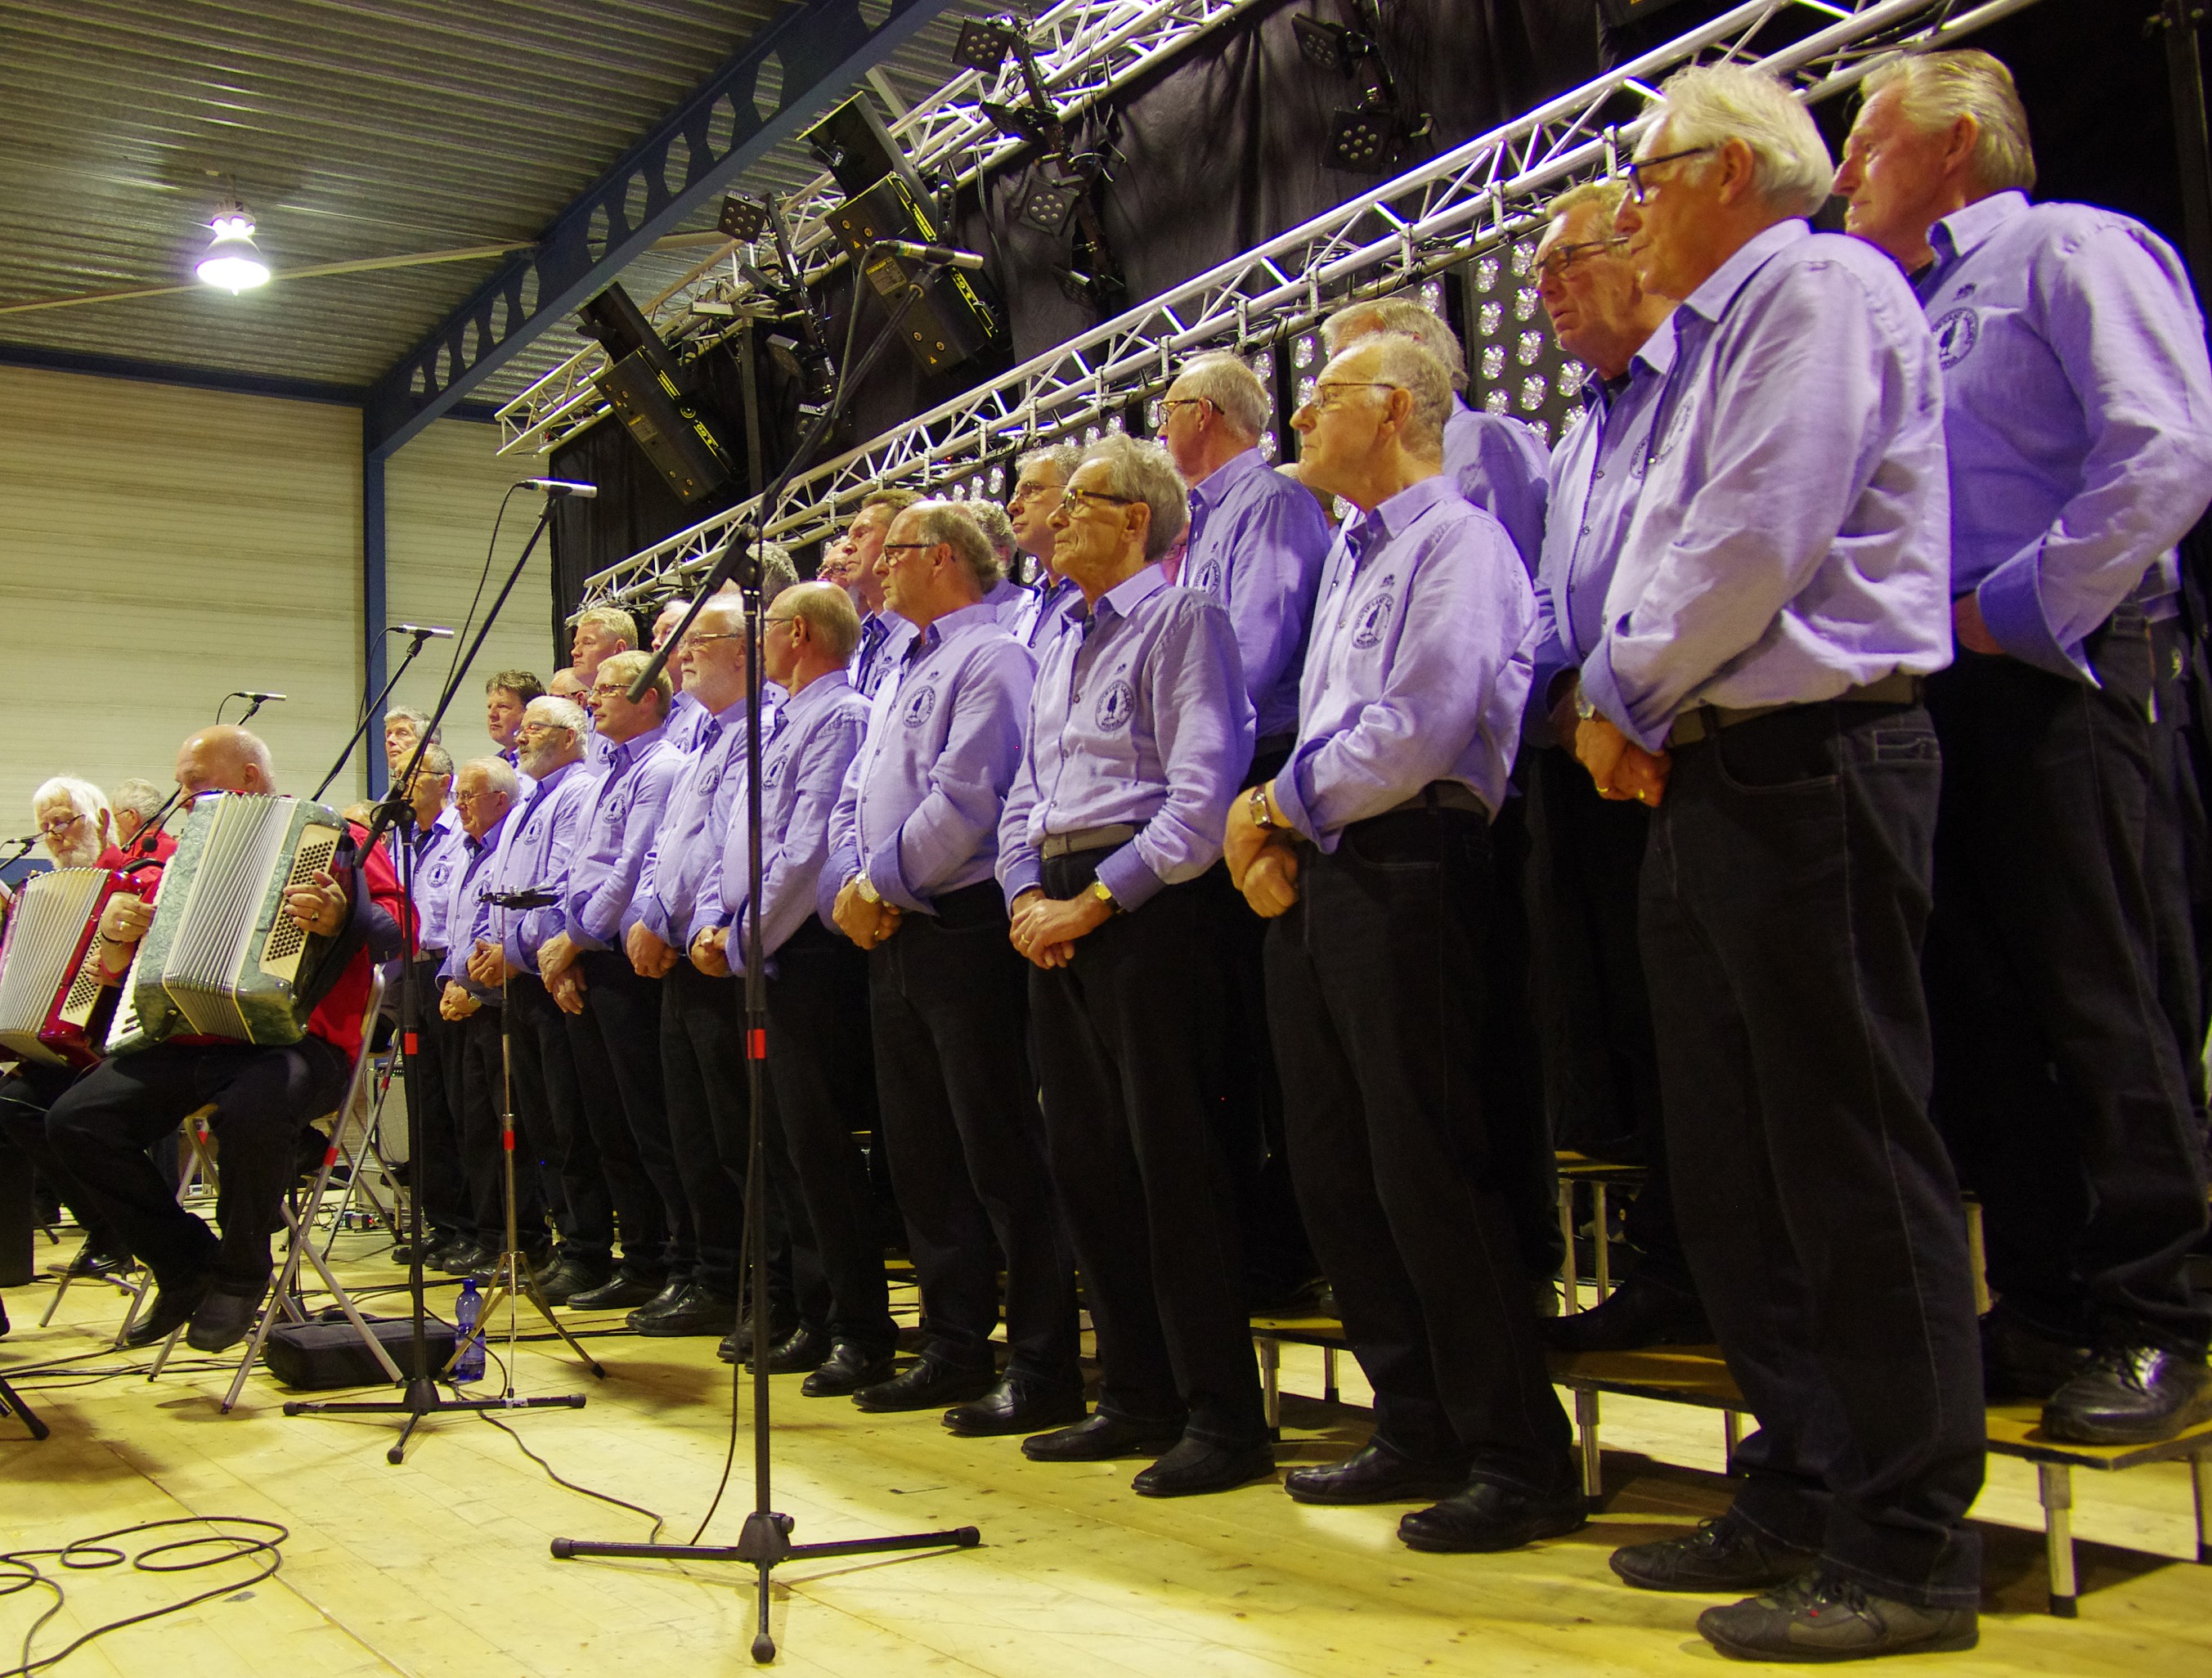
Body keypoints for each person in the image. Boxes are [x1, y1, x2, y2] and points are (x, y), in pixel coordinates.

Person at [1576, 65, 1980, 1661]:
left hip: (1810, 765)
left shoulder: (1810, 287)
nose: (1625, 206)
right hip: (1715, 772)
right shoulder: (1720, 328)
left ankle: (1904, 1547)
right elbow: (1671, 547)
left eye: (1643, 171)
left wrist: (1613, 691)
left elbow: (1753, 535)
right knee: (1738, 1170)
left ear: (1728, 173)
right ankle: (1800, 1485)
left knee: (1843, 1157)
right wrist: (1632, 699)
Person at [1837, 47, 2212, 1442]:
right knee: (1988, 1018)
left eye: (1868, 140)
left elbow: (2167, 448)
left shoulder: (2068, 248)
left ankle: (2164, 1315)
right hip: (1937, 691)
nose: (1848, 169)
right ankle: (2050, 1303)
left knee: (2105, 997)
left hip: (2066, 668)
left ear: (1951, 145)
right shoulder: (1893, 311)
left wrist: (2016, 610)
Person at [1221, 333, 1580, 1550]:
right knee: (1334, 1164)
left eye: (1317, 404)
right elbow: (1341, 730)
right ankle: (1414, 1416)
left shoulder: (1458, 543)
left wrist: (1271, 808)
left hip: (1416, 867)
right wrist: (1284, 831)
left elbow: (1418, 727)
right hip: (1333, 874)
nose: (1297, 428)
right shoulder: (1353, 558)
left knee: (1429, 1159)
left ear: (1387, 410)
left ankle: (1519, 1454)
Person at [1000, 433, 1271, 1493]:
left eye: (1082, 502)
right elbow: (1027, 796)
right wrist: (1026, 896)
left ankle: (1223, 1418)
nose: (1059, 518)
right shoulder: (1061, 639)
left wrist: (1093, 902)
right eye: (1058, 504)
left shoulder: (1184, 616)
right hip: (1055, 915)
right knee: (1088, 1166)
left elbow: (1201, 795)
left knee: (1178, 1170)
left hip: (1148, 920)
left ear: (1137, 522)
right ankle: (1135, 1394)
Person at [824, 499, 1081, 1416]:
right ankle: (953, 1346)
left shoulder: (993, 655)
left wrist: (876, 886)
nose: (877, 569)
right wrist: (850, 891)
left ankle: (1043, 1365)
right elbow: (859, 794)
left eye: (892, 553)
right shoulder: (905, 664)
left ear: (938, 558)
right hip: (895, 928)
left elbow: (969, 796)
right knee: (921, 1154)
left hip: (960, 921)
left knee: (997, 1149)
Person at [45, 725, 404, 1353]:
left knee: (254, 1106)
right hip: (193, 1036)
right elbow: (123, 968)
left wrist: (346, 916)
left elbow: (400, 930)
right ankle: (185, 1266)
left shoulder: (337, 840)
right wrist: (115, 937)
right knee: (75, 1119)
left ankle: (242, 1274)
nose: (181, 799)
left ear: (246, 777)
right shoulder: (174, 860)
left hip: (299, 1043)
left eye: (195, 783)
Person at [1523, 180, 1707, 1353]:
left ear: (1638, 252)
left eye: (1561, 266)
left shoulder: (1705, 380)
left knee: (1723, 1039)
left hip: (1691, 736)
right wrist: (1575, 708)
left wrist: (1624, 703)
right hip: (1597, 756)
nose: (1540, 293)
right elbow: (1547, 603)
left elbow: (1709, 558)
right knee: (1646, 1031)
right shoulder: (1578, 427)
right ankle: (1671, 1262)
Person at [1158, 350, 1335, 1311]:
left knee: (1272, 1035)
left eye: (1169, 404)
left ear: (1208, 413)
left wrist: (1188, 755)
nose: (1159, 421)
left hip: (1254, 767)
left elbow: (1259, 650)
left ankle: (1286, 1245)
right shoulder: (1201, 522)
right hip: (1217, 773)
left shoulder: (1264, 502)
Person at [693, 581, 900, 1391]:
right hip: (758, 955)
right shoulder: (780, 723)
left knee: (820, 1153)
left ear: (802, 635)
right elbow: (735, 840)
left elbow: (808, 846)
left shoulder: (840, 716)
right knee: (781, 1151)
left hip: (804, 957)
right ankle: (815, 1314)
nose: (759, 642)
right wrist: (715, 920)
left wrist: (739, 937)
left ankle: (858, 1326)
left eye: (768, 627)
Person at [625, 595, 774, 1342]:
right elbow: (666, 847)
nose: (680, 651)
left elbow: (734, 849)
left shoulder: (761, 732)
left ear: (746, 651)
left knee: (739, 1136)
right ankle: (711, 1275)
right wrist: (648, 916)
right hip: (680, 953)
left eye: (698, 641)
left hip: (722, 956)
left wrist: (703, 923)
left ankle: (759, 1286)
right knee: (692, 1135)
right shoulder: (704, 741)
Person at [535, 653, 689, 1315]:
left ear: (650, 698)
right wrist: (568, 949)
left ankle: (677, 1261)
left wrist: (575, 937)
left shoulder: (662, 768)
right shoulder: (608, 773)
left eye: (606, 690)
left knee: (650, 1124)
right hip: (591, 956)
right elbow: (580, 868)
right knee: (607, 1125)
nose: (592, 700)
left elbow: (631, 867)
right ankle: (644, 1256)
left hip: (630, 963)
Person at [471, 695, 621, 1303]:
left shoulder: (579, 789)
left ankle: (588, 1251)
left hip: (549, 974)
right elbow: (503, 887)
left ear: (567, 736)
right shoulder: (536, 796)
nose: (519, 737)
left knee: (570, 1126)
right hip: (521, 979)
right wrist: (492, 945)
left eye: (532, 727)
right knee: (541, 1123)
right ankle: (568, 1243)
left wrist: (524, 950)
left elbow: (559, 885)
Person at [1320, 296, 1550, 572]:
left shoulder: (1481, 441)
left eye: (1349, 359)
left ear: (1414, 350)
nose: (1331, 384)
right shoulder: (1369, 481)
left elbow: (1523, 581)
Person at [437, 757, 539, 1275]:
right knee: (472, 1126)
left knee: (507, 1129)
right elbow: (456, 926)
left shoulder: (508, 849)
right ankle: (486, 1232)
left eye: (469, 796)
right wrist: (450, 981)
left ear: (501, 798)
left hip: (497, 1002)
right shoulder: (468, 849)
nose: (459, 807)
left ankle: (521, 1239)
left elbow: (494, 923)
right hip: (466, 997)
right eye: (457, 797)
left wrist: (473, 990)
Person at [397, 743, 473, 1267]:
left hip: (449, 971)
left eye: (413, 772)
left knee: (461, 1102)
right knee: (424, 1106)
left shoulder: (460, 834)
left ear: (443, 781)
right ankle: (441, 1222)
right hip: (411, 974)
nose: (402, 781)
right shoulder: (403, 839)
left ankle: (475, 1226)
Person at [822, 488, 922, 698]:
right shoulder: (863, 638)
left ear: (898, 538)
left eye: (861, 534)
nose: (847, 547)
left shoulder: (922, 631)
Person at [1004, 445, 1084, 653]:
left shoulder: (1099, 598)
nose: (1013, 506)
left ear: (1073, 496)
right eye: (1016, 494)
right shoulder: (1022, 611)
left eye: (1031, 491)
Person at [30, 776, 110, 868]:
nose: (51, 836)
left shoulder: (128, 879)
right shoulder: (60, 882)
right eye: (45, 829)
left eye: (61, 823)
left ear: (101, 822)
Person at [109, 778, 174, 859]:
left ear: (131, 816)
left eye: (114, 817)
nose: (112, 825)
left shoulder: (128, 858)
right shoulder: (179, 850)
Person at [383, 707, 441, 779]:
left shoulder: (449, 789)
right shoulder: (393, 790)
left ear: (428, 745)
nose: (390, 740)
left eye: (402, 734)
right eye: (388, 734)